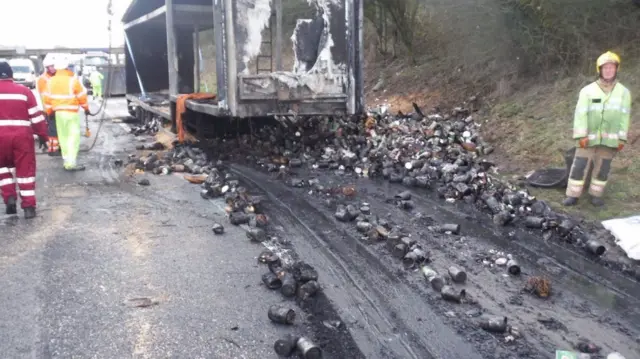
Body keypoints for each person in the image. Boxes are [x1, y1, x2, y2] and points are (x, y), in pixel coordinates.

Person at [564, 51, 631, 207]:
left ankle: (596, 195)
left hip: (610, 140)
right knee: (579, 166)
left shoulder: (624, 93)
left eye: (611, 67)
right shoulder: (588, 91)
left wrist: (622, 138)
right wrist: (581, 136)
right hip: (588, 138)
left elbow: (624, 116)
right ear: (599, 70)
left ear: (616, 69)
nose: (608, 70)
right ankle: (573, 195)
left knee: (603, 168)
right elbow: (580, 114)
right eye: (605, 68)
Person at [0, 61, 48, 219]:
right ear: (11, 75)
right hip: (22, 137)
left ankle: (9, 198)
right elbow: (36, 116)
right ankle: (28, 207)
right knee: (25, 171)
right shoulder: (24, 91)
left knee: (2, 169)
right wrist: (42, 135)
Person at [43, 59, 90, 171]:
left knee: (63, 138)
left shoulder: (50, 81)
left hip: (58, 113)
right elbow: (81, 96)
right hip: (71, 113)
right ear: (67, 68)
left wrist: (49, 112)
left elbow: (47, 99)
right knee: (73, 137)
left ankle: (66, 161)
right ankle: (71, 163)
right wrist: (86, 108)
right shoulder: (72, 80)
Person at [36, 59, 60, 156]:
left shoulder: (58, 76)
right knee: (53, 130)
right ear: (47, 67)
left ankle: (60, 147)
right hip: (50, 109)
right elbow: (43, 96)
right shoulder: (43, 79)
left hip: (60, 108)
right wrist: (47, 110)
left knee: (60, 129)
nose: (53, 68)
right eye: (51, 66)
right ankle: (52, 150)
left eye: (54, 66)